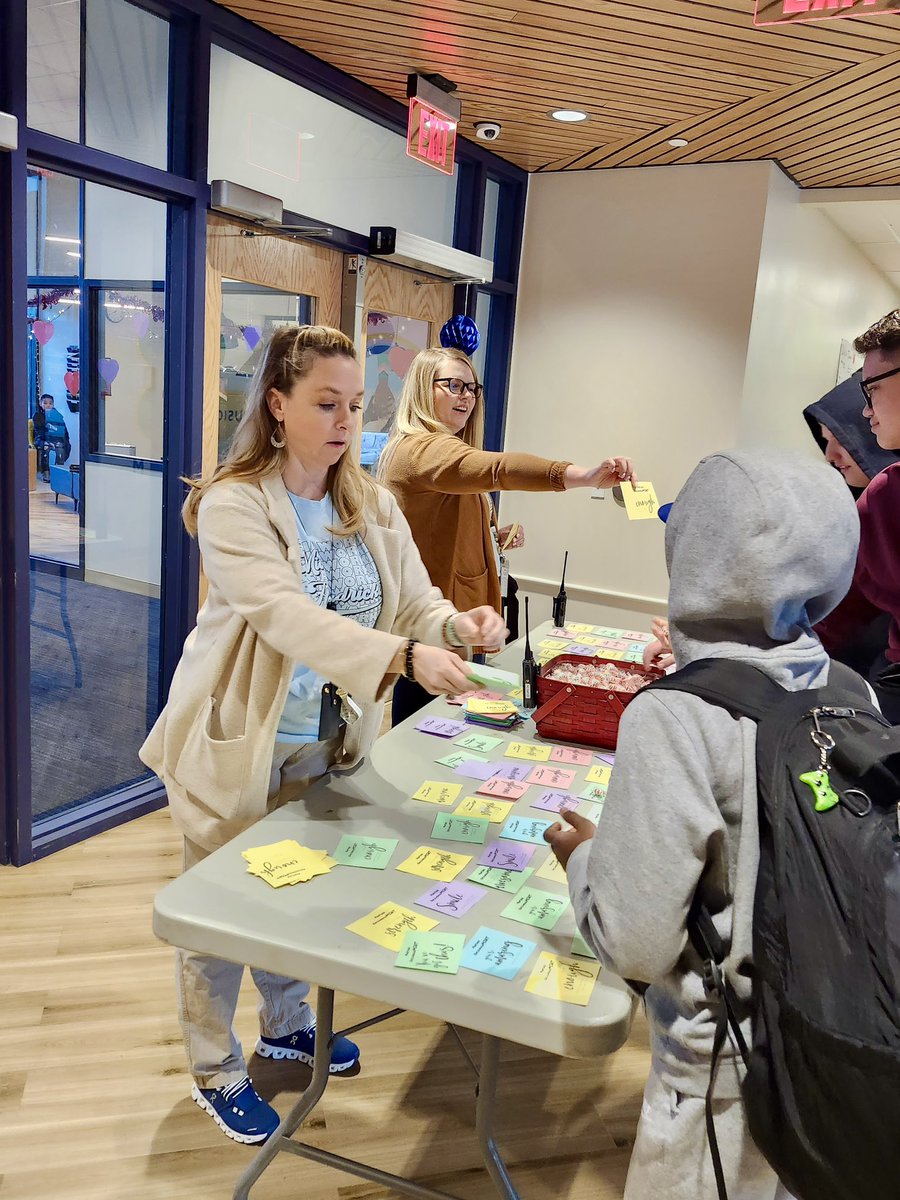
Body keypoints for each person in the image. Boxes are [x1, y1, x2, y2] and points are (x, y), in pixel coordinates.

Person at [139, 326, 505, 1145]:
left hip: (323, 742)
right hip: (238, 743)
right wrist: (405, 656)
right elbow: (286, 617)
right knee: (220, 908)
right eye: (326, 403)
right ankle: (215, 1068)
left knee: (289, 889)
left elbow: (413, 600)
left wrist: (456, 625)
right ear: (277, 404)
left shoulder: (366, 499)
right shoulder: (236, 503)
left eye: (354, 405)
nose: (345, 422)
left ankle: (285, 1022)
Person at [545, 449, 859, 1200]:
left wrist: (584, 858)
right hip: (829, 1054)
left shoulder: (676, 715)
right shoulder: (852, 693)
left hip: (719, 1077)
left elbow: (636, 943)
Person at [378, 346, 635, 723]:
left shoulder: (444, 450)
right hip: (436, 622)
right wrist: (581, 475)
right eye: (453, 385)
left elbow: (444, 521)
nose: (466, 396)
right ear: (422, 389)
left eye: (471, 388)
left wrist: (491, 536)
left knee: (444, 729)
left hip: (461, 619)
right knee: (423, 728)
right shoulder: (422, 448)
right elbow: (499, 468)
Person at [815, 308, 900, 720]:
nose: (868, 411)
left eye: (872, 391)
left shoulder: (886, 494)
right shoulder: (884, 496)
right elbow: (836, 611)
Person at [33, 393, 70, 480]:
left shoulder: (58, 415)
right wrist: (47, 441)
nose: (48, 405)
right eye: (45, 403)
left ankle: (59, 471)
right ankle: (46, 472)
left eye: (50, 403)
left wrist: (61, 441)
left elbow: (64, 431)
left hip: (57, 440)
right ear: (40, 403)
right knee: (46, 447)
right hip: (42, 438)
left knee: (61, 448)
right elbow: (39, 431)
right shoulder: (38, 415)